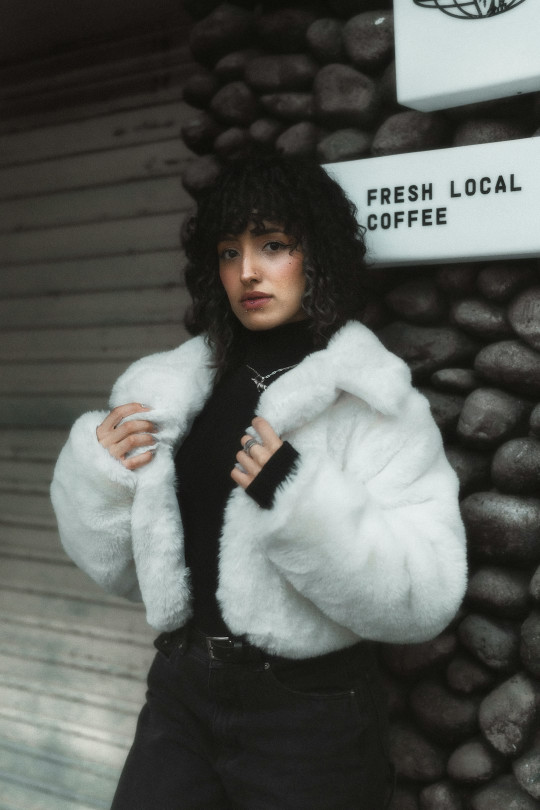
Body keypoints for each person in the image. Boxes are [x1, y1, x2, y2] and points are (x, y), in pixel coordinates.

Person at [50, 152, 467, 810]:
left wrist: (295, 496)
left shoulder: (373, 403)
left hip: (309, 713)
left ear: (318, 254)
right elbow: (123, 570)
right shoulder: (170, 390)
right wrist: (101, 477)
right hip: (182, 691)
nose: (247, 272)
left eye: (273, 246)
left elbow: (425, 597)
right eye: (228, 252)